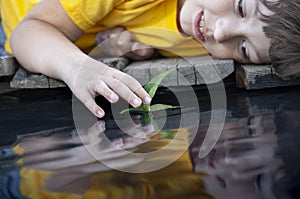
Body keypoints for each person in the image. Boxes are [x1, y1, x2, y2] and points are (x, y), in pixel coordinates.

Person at [0, 0, 296, 118]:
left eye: (244, 49)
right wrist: (77, 67)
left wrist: (138, 49)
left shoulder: (200, 37)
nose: (221, 32)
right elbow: (28, 32)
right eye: (242, 5)